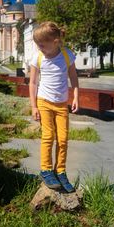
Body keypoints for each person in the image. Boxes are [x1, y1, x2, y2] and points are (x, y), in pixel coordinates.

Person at [29, 21, 79, 193]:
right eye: (38, 45)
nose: (39, 48)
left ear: (56, 42)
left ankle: (60, 171)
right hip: (44, 102)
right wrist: (34, 106)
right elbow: (33, 82)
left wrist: (76, 97)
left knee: (63, 139)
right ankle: (46, 170)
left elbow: (74, 78)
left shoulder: (67, 55)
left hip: (61, 105)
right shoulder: (38, 57)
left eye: (42, 45)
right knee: (48, 136)